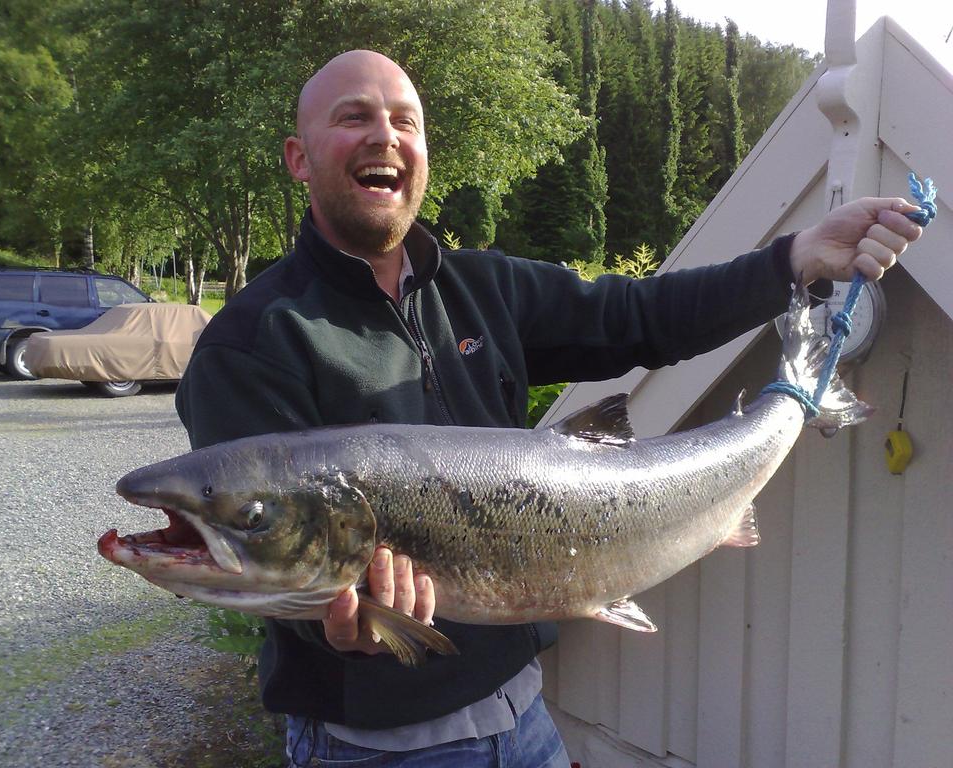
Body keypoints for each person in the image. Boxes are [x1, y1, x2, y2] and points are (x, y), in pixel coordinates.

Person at [175, 49, 922, 768]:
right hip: (375, 748)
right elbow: (266, 559)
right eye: (353, 117)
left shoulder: (483, 288)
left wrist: (794, 259)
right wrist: (343, 632)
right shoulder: (250, 343)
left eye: (406, 120)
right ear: (298, 157)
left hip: (526, 717)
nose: (384, 136)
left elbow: (644, 317)